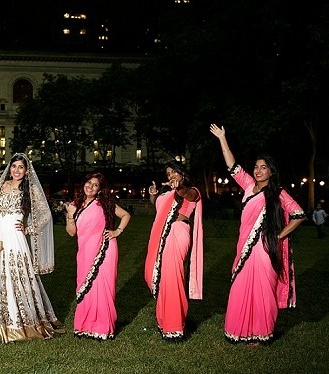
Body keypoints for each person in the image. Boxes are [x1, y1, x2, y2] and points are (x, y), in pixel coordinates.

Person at [210, 123, 305, 345]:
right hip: (244, 247)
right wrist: (222, 139)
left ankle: (261, 333)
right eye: (256, 167)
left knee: (262, 290)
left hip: (265, 249)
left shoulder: (278, 192)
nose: (258, 170)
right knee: (241, 287)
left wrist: (279, 237)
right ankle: (239, 330)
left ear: (271, 171)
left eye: (263, 167)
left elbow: (299, 214)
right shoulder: (248, 185)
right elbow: (232, 166)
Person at [0, 153, 64, 343]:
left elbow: (46, 215)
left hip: (14, 236)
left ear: (26, 170)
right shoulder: (1, 184)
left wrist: (28, 228)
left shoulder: (29, 189)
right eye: (14, 166)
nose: (16, 170)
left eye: (20, 167)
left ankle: (18, 323)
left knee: (15, 273)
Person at [64, 173, 131, 340]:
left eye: (95, 185)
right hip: (85, 251)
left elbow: (126, 215)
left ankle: (102, 327)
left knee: (103, 288)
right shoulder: (75, 204)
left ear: (100, 189)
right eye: (88, 182)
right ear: (83, 184)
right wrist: (70, 216)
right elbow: (72, 233)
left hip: (105, 249)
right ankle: (84, 326)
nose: (90, 187)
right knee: (85, 287)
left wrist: (117, 231)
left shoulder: (104, 203)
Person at [144, 161, 204, 341]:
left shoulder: (191, 190)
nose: (170, 176)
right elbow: (159, 209)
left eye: (174, 172)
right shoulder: (167, 193)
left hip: (177, 231)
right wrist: (154, 196)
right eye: (168, 173)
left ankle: (174, 325)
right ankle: (166, 321)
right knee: (161, 277)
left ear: (182, 174)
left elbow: (188, 195)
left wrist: (180, 187)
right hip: (162, 234)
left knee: (172, 277)